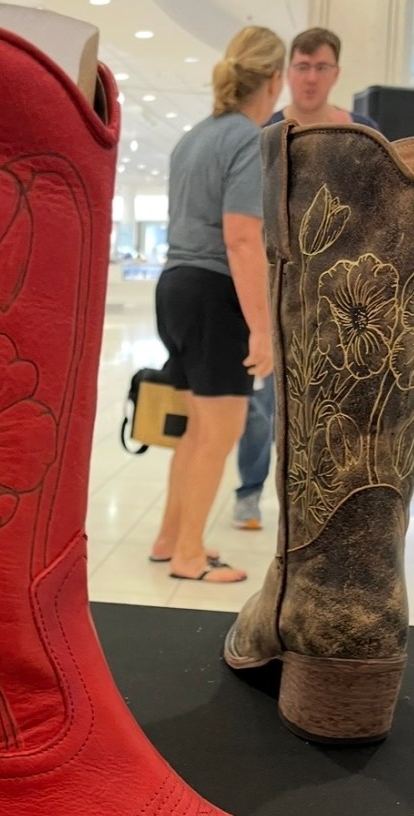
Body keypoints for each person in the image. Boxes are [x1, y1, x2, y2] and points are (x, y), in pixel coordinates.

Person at [149, 26, 283, 583]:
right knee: (221, 430)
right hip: (214, 295)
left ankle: (168, 540)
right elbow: (242, 237)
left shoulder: (194, 137)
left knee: (194, 430)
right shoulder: (249, 139)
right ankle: (188, 555)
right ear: (274, 81)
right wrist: (261, 328)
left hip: (175, 286)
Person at [231, 26, 378, 530]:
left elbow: (376, 206)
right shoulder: (266, 130)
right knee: (264, 400)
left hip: (342, 293)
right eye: (302, 66)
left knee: (333, 400)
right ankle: (249, 491)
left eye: (321, 67)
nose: (310, 78)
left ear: (335, 73)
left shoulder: (361, 129)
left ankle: (321, 501)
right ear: (287, 72)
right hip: (278, 285)